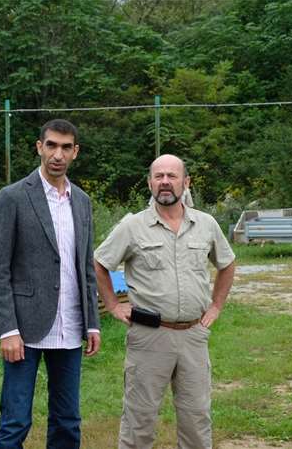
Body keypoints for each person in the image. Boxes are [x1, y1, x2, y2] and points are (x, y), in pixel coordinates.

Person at [94, 154, 236, 449]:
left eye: (172, 176)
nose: (165, 182)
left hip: (194, 336)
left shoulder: (206, 224)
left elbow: (227, 263)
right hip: (149, 337)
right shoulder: (133, 226)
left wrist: (216, 306)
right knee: (139, 421)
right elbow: (99, 263)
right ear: (150, 183)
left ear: (186, 182)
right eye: (158, 176)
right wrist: (113, 305)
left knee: (197, 419)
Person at [0, 119, 101, 449]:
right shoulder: (13, 197)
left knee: (68, 421)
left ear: (75, 152)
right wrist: (7, 329)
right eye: (51, 145)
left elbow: (86, 266)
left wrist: (92, 322)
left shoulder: (82, 201)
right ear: (39, 147)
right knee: (15, 422)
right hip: (24, 329)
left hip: (71, 327)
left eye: (66, 147)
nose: (57, 155)